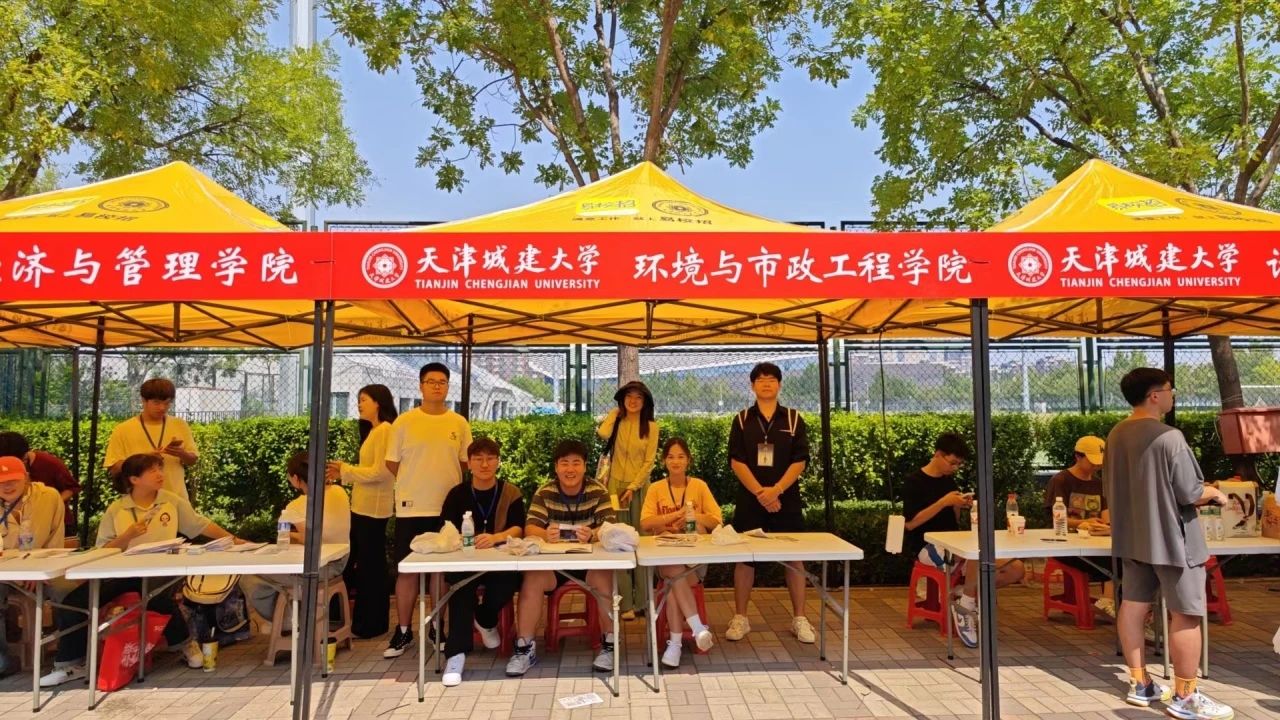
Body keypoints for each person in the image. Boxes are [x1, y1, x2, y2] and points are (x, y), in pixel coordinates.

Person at [41, 453, 239, 687]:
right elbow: (102, 549)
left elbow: (199, 524)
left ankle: (185, 645)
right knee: (75, 602)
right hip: (122, 572)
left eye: (160, 469)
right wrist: (128, 536)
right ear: (134, 479)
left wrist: (234, 539)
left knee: (155, 594)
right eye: (153, 471)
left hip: (162, 570)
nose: (160, 474)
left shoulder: (171, 501)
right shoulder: (117, 509)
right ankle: (70, 665)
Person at [1105, 368, 1233, 719]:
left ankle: (1140, 683)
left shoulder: (1116, 434)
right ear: (1154, 395)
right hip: (1174, 539)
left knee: (1133, 605)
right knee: (1187, 615)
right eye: (1169, 389)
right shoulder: (1169, 437)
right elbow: (1189, 491)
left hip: (1133, 536)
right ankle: (1185, 696)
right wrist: (1215, 493)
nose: (1172, 394)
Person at [382, 362, 472, 659]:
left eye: (442, 382)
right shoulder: (404, 422)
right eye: (431, 381)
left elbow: (465, 463)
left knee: (440, 572)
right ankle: (403, 630)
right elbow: (392, 462)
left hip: (447, 509)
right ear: (420, 386)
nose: (437, 386)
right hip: (411, 508)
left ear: (448, 387)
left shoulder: (459, 423)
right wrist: (414, 483)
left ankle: (436, 626)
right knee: (407, 571)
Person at [505, 440, 617, 677]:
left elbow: (611, 527)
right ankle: (524, 648)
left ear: (585, 466)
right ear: (556, 467)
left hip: (589, 564)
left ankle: (609, 645)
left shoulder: (598, 491)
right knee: (532, 580)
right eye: (564, 463)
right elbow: (530, 527)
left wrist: (593, 533)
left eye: (576, 463)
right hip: (553, 565)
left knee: (605, 579)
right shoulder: (545, 492)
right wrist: (546, 534)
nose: (570, 469)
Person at [903, 432, 1025, 649]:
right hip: (927, 546)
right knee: (976, 553)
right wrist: (943, 502)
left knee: (1015, 568)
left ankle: (962, 594)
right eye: (952, 462)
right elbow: (910, 524)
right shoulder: (914, 482)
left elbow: (954, 521)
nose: (955, 468)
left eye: (959, 464)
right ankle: (966, 606)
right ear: (938, 454)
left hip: (954, 544)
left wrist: (959, 505)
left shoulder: (949, 481)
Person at [724, 362, 814, 643]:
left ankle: (800, 619)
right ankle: (740, 618)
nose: (766, 383)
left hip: (786, 500)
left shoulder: (794, 419)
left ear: (780, 385)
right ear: (752, 385)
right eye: (761, 379)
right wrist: (761, 494)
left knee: (794, 558)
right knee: (745, 558)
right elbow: (736, 461)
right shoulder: (741, 420)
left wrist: (776, 491)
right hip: (750, 500)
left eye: (772, 379)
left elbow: (800, 461)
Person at [437, 437, 525, 686]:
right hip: (466, 559)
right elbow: (445, 528)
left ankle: (485, 617)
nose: (484, 464)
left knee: (509, 581)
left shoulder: (511, 492)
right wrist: (464, 540)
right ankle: (456, 655)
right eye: (478, 459)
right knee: (460, 587)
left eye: (490, 458)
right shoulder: (457, 494)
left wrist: (496, 537)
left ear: (498, 461)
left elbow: (519, 527)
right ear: (469, 463)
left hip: (500, 559)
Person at [241, 452, 351, 624]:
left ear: (295, 478)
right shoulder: (340, 491)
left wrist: (289, 535)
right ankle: (292, 619)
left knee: (249, 575)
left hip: (317, 570)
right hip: (341, 562)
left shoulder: (297, 505)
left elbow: (309, 539)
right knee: (269, 582)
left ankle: (288, 622)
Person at [639, 437, 721, 668]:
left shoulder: (699, 486)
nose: (676, 461)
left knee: (673, 580)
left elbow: (717, 521)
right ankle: (697, 628)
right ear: (664, 461)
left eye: (681, 456)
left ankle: (675, 644)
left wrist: (692, 516)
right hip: (665, 558)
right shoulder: (656, 488)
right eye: (671, 457)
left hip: (695, 563)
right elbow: (645, 523)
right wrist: (671, 517)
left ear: (688, 460)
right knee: (673, 572)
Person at [326, 383, 397, 638]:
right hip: (362, 507)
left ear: (378, 402)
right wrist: (346, 471)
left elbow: (381, 472)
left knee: (371, 567)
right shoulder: (373, 431)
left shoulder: (385, 430)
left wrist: (346, 470)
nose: (359, 404)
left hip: (373, 510)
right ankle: (361, 621)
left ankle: (372, 624)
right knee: (364, 565)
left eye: (364, 399)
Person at [596, 380, 659, 621]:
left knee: (642, 541)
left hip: (639, 489)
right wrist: (614, 413)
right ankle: (625, 604)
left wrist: (633, 487)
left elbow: (649, 462)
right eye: (628, 397)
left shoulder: (651, 427)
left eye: (638, 397)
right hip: (615, 488)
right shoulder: (617, 421)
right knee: (617, 541)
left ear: (645, 402)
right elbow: (602, 433)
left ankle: (643, 601)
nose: (633, 401)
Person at [0, 455, 65, 677]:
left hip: (44, 568)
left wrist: (37, 571)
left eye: (13, 480)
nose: (7, 486)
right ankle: (2, 660)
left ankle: (68, 654)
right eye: (1, 482)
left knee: (67, 591)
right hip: (6, 573)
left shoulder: (48, 497)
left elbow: (56, 539)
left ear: (26, 477)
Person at [1044, 435, 1116, 617]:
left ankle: (1112, 603)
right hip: (1067, 544)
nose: (1097, 466)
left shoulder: (1100, 484)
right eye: (1092, 461)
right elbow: (1056, 519)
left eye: (1100, 462)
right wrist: (1082, 523)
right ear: (1078, 456)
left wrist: (1105, 526)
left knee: (1124, 557)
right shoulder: (1061, 480)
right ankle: (1108, 602)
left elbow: (1106, 515)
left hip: (1096, 541)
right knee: (1113, 562)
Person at [104, 378, 198, 502]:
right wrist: (143, 460)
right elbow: (113, 468)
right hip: (139, 501)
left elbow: (192, 460)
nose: (162, 408)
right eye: (156, 402)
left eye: (167, 403)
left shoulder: (180, 425)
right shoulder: (123, 429)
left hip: (176, 500)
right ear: (143, 400)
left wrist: (182, 454)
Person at [0, 431, 80, 538]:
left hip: (54, 523)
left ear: (25, 455)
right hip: (16, 527)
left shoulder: (48, 462)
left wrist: (49, 505)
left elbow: (71, 487)